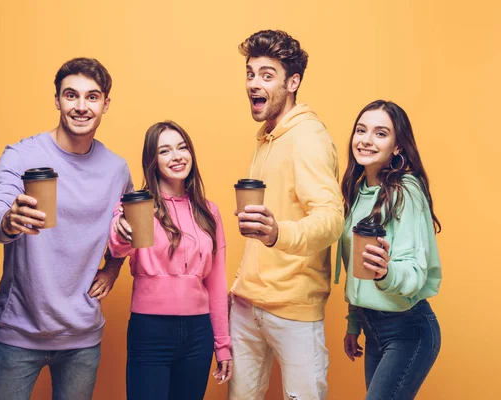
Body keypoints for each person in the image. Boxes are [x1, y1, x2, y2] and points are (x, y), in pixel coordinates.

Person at [0, 57, 132, 400]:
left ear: (105, 104)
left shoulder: (116, 169)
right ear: (57, 100)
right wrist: (7, 220)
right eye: (71, 95)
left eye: (92, 97)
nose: (81, 106)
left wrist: (113, 267)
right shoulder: (21, 154)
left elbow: (125, 232)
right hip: (18, 334)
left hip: (82, 339)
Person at [228, 30, 344, 400]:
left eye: (266, 74)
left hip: (293, 309)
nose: (253, 83)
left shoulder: (308, 137)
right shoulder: (267, 137)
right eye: (250, 73)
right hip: (247, 305)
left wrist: (278, 233)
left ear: (292, 82)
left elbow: (331, 218)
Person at [109, 121, 232, 400]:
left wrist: (222, 344)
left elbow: (217, 281)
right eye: (165, 151)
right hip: (150, 330)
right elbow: (117, 248)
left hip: (199, 333)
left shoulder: (208, 211)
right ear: (152, 161)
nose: (177, 156)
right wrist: (121, 227)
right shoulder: (138, 204)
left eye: (182, 147)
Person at [334, 99, 442, 399]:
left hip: (408, 330)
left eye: (380, 133)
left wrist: (385, 271)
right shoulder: (356, 193)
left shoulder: (406, 190)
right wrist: (355, 322)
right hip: (374, 329)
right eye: (361, 130)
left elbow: (415, 271)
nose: (366, 140)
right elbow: (358, 267)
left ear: (397, 146)